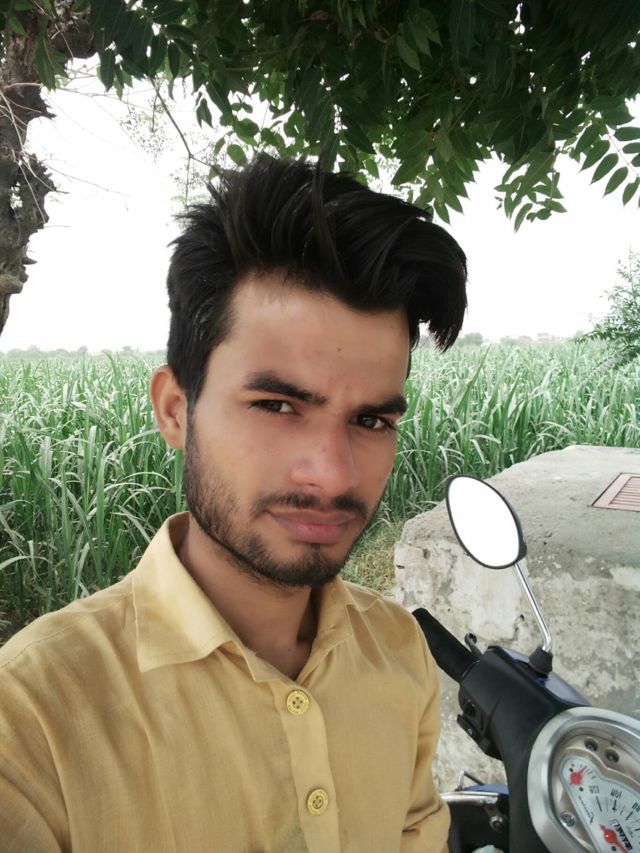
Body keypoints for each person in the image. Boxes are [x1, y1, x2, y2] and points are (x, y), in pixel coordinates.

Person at [0, 154, 467, 852]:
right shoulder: (32, 719)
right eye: (276, 404)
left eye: (371, 420)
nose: (332, 473)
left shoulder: (398, 649)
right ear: (175, 409)